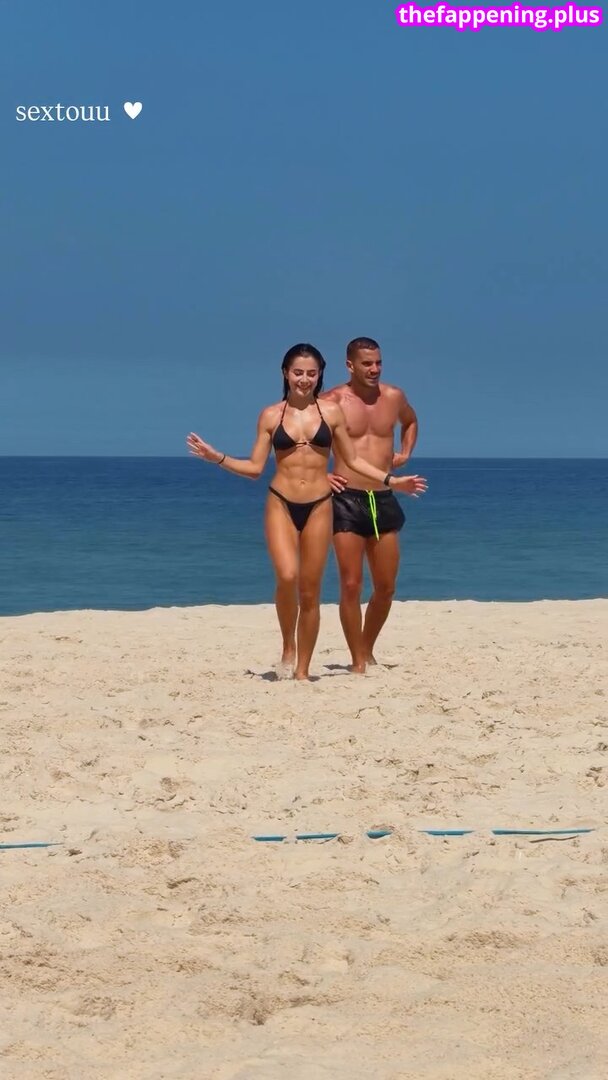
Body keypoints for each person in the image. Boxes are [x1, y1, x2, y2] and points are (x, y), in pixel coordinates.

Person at [187, 343, 427, 681]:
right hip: (283, 501)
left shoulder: (332, 412)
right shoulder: (272, 415)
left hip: (321, 504)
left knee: (312, 591)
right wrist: (218, 458)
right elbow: (255, 468)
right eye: (298, 372)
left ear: (319, 375)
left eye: (311, 373)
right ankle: (289, 645)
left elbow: (353, 459)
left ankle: (303, 671)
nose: (304, 379)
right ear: (286, 373)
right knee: (289, 576)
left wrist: (392, 479)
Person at [321, 337, 420, 673]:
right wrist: (321, 474)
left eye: (378, 362)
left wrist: (405, 452)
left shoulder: (393, 397)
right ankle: (357, 660)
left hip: (383, 497)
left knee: (386, 587)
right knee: (351, 585)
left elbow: (411, 421)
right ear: (350, 365)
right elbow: (303, 440)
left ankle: (366, 647)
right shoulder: (331, 401)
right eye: (367, 363)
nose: (374, 369)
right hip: (346, 499)